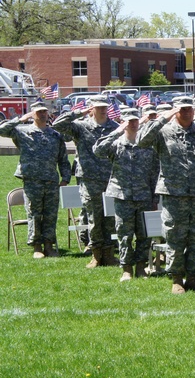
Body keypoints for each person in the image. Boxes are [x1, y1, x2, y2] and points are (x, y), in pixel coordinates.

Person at [136, 95, 195, 294]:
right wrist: (163, 117)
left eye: (189, 108)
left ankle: (194, 277)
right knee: (174, 236)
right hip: (173, 193)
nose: (187, 112)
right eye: (182, 109)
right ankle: (177, 279)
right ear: (175, 110)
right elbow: (141, 141)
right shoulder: (164, 132)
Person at [52, 95, 118, 267]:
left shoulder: (115, 127)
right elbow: (57, 125)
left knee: (110, 218)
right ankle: (96, 254)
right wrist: (78, 112)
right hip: (89, 179)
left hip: (110, 178)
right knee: (94, 218)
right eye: (99, 107)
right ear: (92, 108)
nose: (103, 109)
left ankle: (109, 254)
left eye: (105, 106)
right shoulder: (81, 127)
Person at [93, 108, 158, 281]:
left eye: (136, 120)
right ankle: (127, 269)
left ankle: (141, 267)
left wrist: (154, 198)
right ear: (123, 122)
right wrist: (116, 132)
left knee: (144, 235)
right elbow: (98, 150)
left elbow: (154, 173)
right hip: (122, 196)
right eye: (129, 121)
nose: (134, 124)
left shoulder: (147, 145)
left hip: (143, 195)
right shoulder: (116, 144)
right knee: (125, 235)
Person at [0, 102, 71, 258]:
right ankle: (37, 247)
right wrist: (20, 119)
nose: (43, 115)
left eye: (44, 112)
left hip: (51, 181)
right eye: (39, 112)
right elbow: (1, 130)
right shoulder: (22, 132)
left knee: (51, 214)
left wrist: (65, 178)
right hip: (32, 180)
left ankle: (49, 245)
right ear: (33, 114)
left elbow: (63, 159)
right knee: (34, 213)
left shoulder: (55, 135)